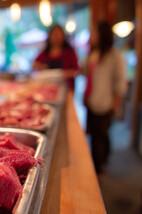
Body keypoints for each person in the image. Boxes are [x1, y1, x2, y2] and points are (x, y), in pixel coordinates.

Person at [84, 21, 127, 174]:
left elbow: (120, 81)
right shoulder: (94, 54)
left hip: (105, 103)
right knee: (97, 135)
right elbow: (87, 74)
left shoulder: (114, 55)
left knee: (99, 137)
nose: (92, 36)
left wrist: (116, 103)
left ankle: (98, 169)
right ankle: (101, 161)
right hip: (92, 101)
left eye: (94, 33)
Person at [33, 24, 79, 90]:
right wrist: (41, 66)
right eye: (54, 34)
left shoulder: (69, 53)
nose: (56, 37)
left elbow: (76, 71)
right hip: (47, 88)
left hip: (66, 88)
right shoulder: (45, 53)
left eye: (58, 34)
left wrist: (63, 74)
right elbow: (34, 64)